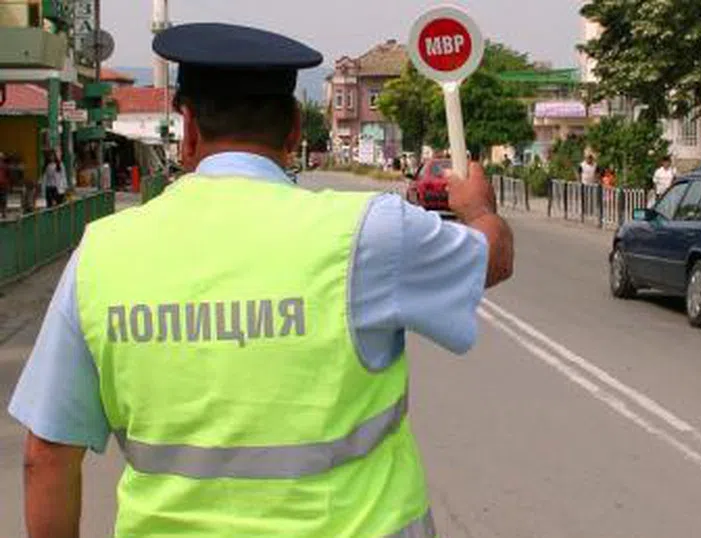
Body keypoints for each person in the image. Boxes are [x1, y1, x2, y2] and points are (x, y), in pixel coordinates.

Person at [7, 22, 514, 538]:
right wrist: (479, 210)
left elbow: (45, 456)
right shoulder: (367, 233)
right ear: (295, 129)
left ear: (188, 128)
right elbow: (489, 261)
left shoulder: (102, 253)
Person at [0, 152, 9, 219]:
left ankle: (3, 213)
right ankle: (3, 213)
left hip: (3, 185)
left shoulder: (5, 166)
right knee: (3, 199)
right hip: (3, 185)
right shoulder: (5, 166)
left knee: (3, 199)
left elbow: (7, 175)